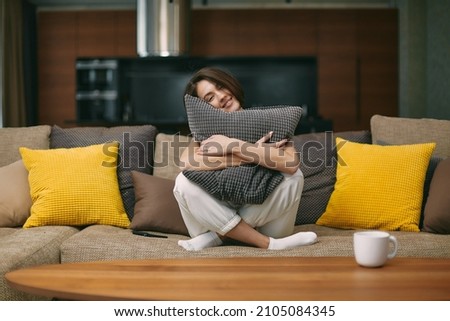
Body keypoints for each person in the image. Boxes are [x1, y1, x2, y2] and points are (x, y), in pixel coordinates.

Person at [173, 67, 317, 251]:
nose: (221, 96)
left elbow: (290, 164)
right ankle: (267, 244)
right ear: (202, 109)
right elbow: (187, 165)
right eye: (210, 98)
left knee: (295, 177)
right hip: (212, 218)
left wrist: (234, 145)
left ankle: (217, 238)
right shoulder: (205, 135)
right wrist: (250, 155)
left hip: (265, 221)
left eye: (221, 87)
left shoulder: (268, 122)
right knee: (183, 182)